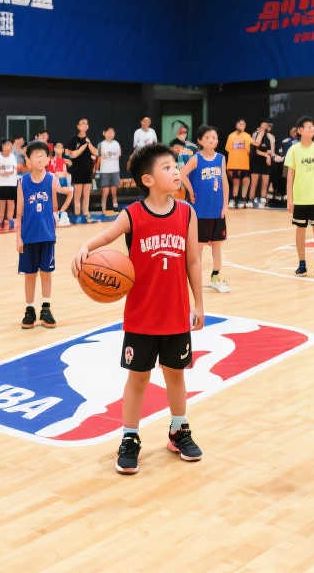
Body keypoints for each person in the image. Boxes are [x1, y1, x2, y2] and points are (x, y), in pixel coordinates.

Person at [72, 144, 205, 474]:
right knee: (138, 378)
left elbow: (193, 261)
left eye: (176, 166)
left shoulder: (187, 213)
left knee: (176, 375)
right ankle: (130, 437)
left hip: (176, 313)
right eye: (167, 168)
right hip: (142, 316)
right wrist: (86, 247)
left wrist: (199, 304)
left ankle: (179, 430)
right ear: (148, 179)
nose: (176, 172)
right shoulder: (133, 214)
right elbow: (107, 237)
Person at [16, 141, 73, 329]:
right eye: (36, 155)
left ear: (48, 159)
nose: (40, 158)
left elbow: (67, 193)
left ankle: (46, 308)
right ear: (28, 160)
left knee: (46, 273)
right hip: (28, 236)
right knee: (29, 274)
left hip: (47, 235)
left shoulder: (52, 179)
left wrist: (60, 213)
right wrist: (18, 237)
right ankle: (30, 309)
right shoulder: (23, 182)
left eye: (43, 155)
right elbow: (19, 213)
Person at [181, 125, 230, 293]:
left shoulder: (221, 158)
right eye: (208, 137)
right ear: (200, 141)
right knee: (199, 247)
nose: (212, 140)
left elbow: (224, 181)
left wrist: (225, 205)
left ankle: (216, 277)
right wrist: (191, 191)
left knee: (217, 245)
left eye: (214, 137)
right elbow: (182, 174)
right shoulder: (196, 159)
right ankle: (195, 279)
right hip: (200, 212)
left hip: (217, 211)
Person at [285, 116, 314, 277]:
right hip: (300, 198)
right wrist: (290, 199)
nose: (312, 129)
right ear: (300, 130)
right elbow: (290, 175)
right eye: (308, 127)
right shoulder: (293, 150)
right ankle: (302, 264)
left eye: (313, 127)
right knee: (300, 231)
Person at [66, 118, 98, 221]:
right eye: (82, 123)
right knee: (77, 195)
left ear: (87, 127)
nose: (84, 125)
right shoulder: (73, 140)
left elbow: (96, 152)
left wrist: (89, 144)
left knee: (86, 195)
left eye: (86, 124)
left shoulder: (89, 139)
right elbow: (72, 155)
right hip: (77, 170)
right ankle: (77, 215)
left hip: (88, 170)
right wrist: (83, 147)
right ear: (78, 126)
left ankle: (86, 214)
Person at [224, 119, 253, 208]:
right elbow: (228, 149)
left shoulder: (247, 136)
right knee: (235, 181)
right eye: (240, 124)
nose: (242, 125)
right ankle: (233, 199)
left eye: (243, 124)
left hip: (244, 163)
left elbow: (252, 147)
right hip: (234, 164)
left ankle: (243, 199)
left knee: (246, 180)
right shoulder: (231, 136)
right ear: (236, 125)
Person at [0, 139, 19, 230]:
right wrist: (1, 174)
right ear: (2, 146)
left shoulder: (13, 156)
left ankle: (10, 222)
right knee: (2, 204)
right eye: (6, 145)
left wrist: (11, 172)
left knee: (11, 203)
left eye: (10, 145)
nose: (8, 147)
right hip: (1, 184)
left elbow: (15, 169)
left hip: (12, 183)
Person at [249, 121, 275, 208]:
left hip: (266, 162)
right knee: (254, 183)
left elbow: (272, 151)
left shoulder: (270, 136)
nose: (264, 126)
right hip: (256, 161)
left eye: (266, 125)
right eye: (262, 125)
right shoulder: (255, 134)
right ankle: (251, 201)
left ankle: (263, 201)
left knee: (265, 183)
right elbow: (255, 150)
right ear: (260, 126)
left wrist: (268, 155)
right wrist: (266, 155)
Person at [96, 126, 122, 215]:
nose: (110, 134)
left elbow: (119, 154)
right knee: (105, 191)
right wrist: (96, 170)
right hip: (104, 171)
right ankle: (103, 208)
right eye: (108, 132)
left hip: (115, 170)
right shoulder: (101, 144)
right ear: (104, 133)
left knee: (114, 191)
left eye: (112, 132)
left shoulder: (117, 143)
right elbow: (99, 158)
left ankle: (115, 207)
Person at [49, 143, 72, 227]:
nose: (59, 149)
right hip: (52, 185)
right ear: (54, 149)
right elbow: (55, 173)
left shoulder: (64, 161)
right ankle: (56, 215)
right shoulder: (50, 160)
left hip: (61, 185)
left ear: (63, 150)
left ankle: (61, 212)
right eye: (57, 147)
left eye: (61, 147)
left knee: (71, 191)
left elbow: (65, 174)